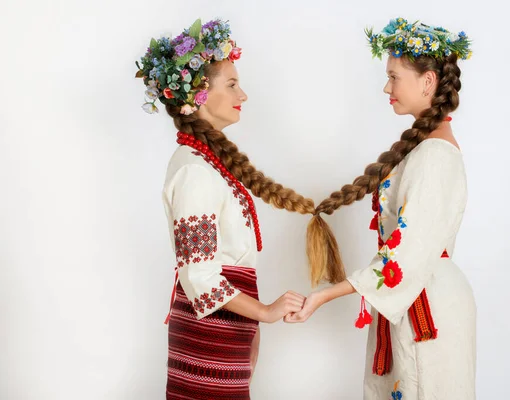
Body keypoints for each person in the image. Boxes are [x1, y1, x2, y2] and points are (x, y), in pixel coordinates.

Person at [287, 17, 476, 400]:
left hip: (426, 307)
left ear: (428, 82)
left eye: (394, 77)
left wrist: (325, 294)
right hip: (408, 299)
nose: (386, 87)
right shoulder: (421, 150)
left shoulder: (436, 156)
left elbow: (404, 254)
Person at [136, 18, 313, 399]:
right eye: (232, 84)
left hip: (227, 324)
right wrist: (264, 311)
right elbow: (199, 274)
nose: (243, 95)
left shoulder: (208, 163)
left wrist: (252, 325)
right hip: (209, 331)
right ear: (198, 94)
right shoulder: (193, 171)